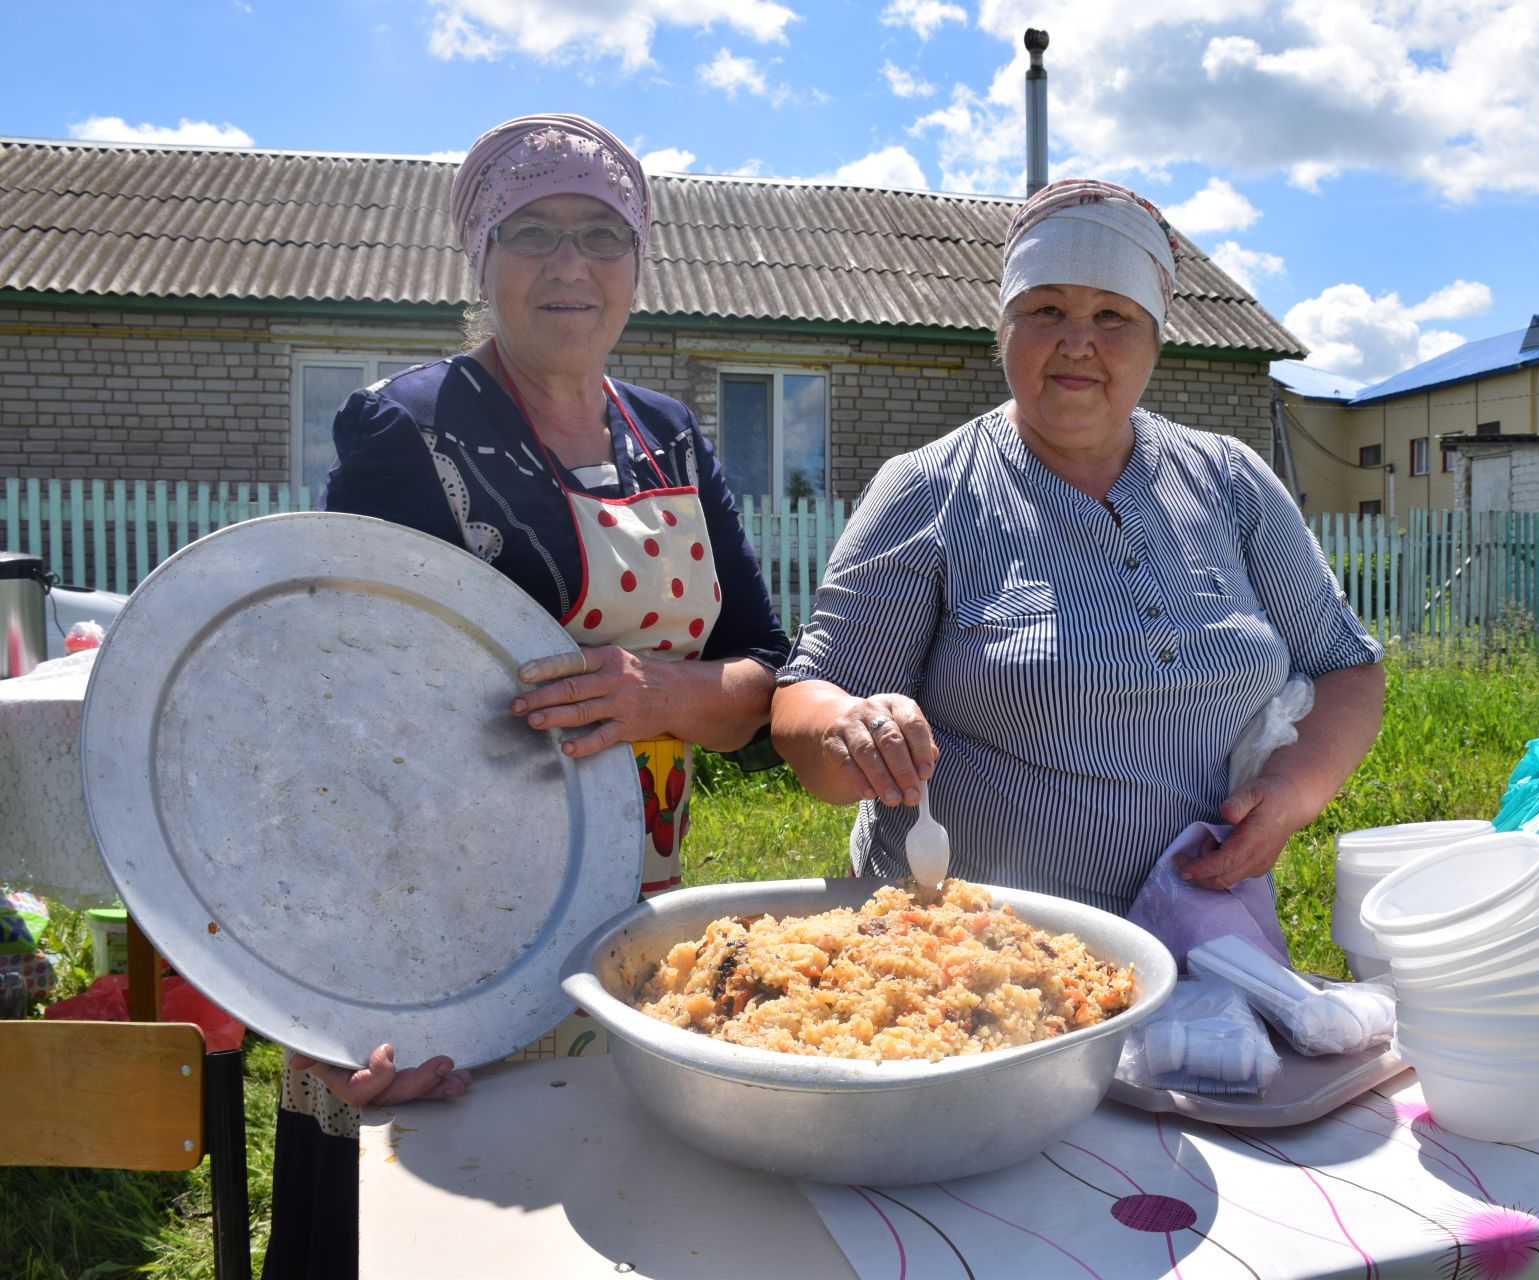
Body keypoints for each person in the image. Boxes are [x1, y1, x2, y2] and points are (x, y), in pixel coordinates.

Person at [263, 113, 788, 1279]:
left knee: (594, 1217)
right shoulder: (411, 427)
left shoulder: (674, 437)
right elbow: (320, 719)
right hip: (438, 924)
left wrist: (665, 693)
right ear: (481, 261)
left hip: (634, 906)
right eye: (533, 233)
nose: (569, 265)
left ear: (639, 264)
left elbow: (760, 678)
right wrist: (335, 988)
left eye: (602, 235)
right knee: (439, 1226)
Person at [772, 178, 1384, 917]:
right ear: (1003, 328)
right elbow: (806, 706)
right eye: (1046, 309)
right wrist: (845, 731)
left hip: (1209, 934)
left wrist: (1291, 794)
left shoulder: (1230, 480)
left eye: (1112, 316)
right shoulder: (927, 489)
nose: (1077, 343)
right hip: (975, 954)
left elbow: (1346, 666)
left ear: (1157, 338)